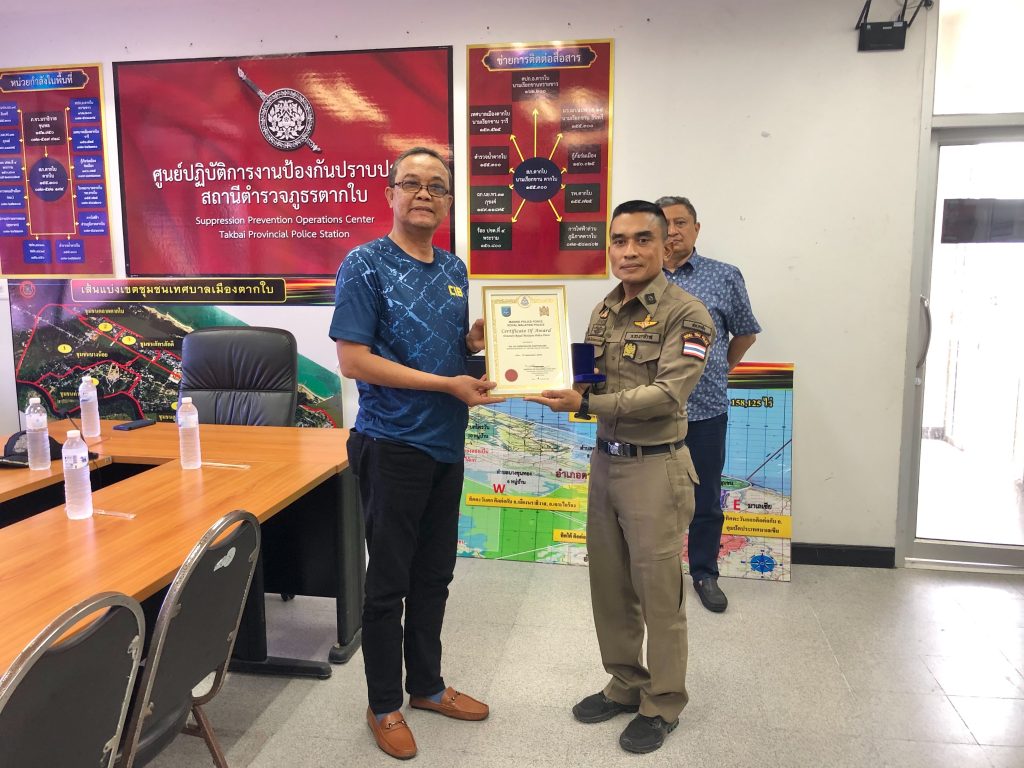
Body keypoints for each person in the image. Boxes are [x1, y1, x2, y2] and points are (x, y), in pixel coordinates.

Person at [329, 147, 503, 760]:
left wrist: (473, 347)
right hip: (391, 444)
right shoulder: (364, 264)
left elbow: (450, 358)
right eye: (411, 183)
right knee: (388, 584)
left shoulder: (453, 267)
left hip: (445, 445)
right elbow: (353, 361)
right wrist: (446, 384)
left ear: (449, 201)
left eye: (437, 186)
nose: (424, 193)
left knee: (434, 576)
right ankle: (383, 704)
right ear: (391, 194)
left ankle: (426, 686)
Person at [526, 200, 713, 754]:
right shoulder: (605, 309)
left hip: (655, 466)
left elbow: (667, 394)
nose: (628, 251)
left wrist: (585, 404)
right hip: (606, 462)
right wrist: (532, 371)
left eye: (642, 240)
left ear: (665, 244)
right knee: (610, 586)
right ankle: (626, 682)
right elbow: (587, 376)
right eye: (619, 240)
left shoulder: (688, 314)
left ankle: (664, 701)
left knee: (659, 594)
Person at [655, 195, 761, 613]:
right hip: (651, 410)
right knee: (650, 497)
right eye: (664, 223)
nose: (673, 231)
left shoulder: (724, 276)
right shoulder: (642, 276)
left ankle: (704, 572)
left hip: (706, 409)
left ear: (696, 229)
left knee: (705, 498)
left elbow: (745, 333)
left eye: (681, 222)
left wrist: (717, 367)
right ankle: (653, 572)